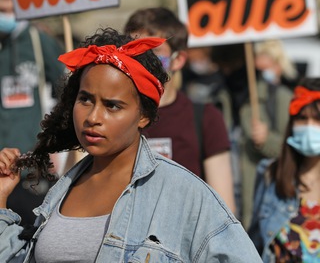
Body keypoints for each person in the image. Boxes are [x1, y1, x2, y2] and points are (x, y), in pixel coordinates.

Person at [0, 27, 262, 262]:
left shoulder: (184, 194)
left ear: (143, 116)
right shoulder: (61, 191)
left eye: (112, 105)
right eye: (85, 99)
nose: (93, 117)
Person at [124, 7, 236, 214]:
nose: (142, 59)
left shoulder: (206, 118)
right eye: (134, 50)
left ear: (178, 60)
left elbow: (224, 208)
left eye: (154, 51)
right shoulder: (114, 114)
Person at [0, 0, 65, 226]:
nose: (4, 17)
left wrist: (56, 143)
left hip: (32, 167)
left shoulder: (39, 41)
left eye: (7, 11)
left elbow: (69, 94)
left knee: (32, 233)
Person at [211, 42, 293, 229]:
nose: (228, 72)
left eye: (233, 65)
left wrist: (268, 140)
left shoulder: (278, 97)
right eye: (223, 66)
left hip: (265, 213)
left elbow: (296, 151)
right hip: (226, 212)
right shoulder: (216, 100)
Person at [249, 77, 320, 262]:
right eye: (302, 118)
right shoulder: (270, 174)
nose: (310, 126)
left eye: (318, 119)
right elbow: (253, 245)